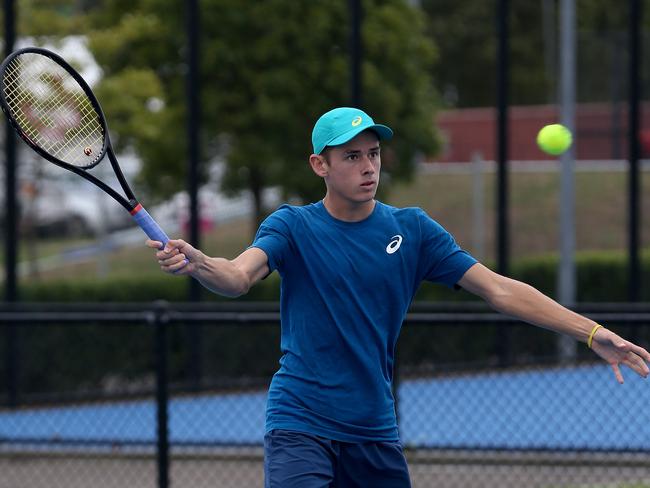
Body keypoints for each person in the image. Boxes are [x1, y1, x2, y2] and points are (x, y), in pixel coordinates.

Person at [147, 107, 650, 488]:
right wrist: (200, 262)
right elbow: (237, 277)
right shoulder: (292, 226)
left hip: (374, 427)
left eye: (373, 154)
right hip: (300, 420)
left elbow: (499, 289)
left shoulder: (412, 230)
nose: (368, 167)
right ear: (319, 165)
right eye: (351, 156)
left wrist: (591, 332)